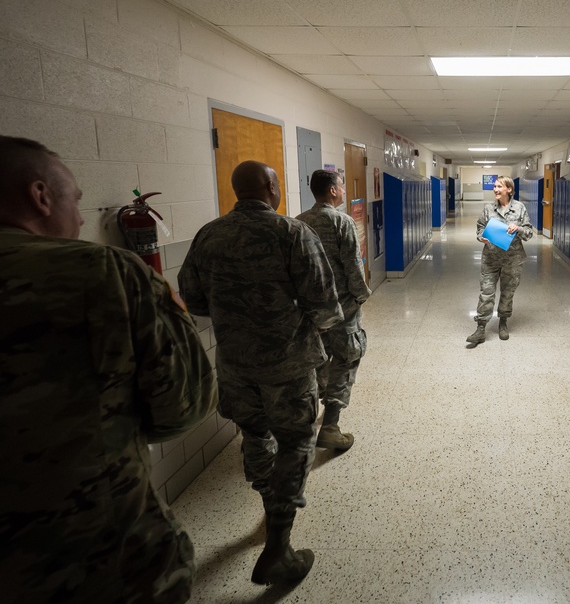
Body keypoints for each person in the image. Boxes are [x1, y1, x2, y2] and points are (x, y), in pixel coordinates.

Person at [0, 136, 216, 603]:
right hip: (94, 555)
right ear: (39, 196)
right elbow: (183, 408)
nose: (80, 219)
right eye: (74, 201)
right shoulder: (104, 270)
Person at [178, 161, 342, 586]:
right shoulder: (291, 233)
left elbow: (194, 301)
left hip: (235, 366)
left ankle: (268, 503)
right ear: (271, 187)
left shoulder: (208, 235)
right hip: (288, 367)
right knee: (295, 441)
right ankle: (278, 547)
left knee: (254, 434)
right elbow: (324, 306)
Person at [296, 169, 371, 451]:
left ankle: (308, 417)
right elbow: (352, 265)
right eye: (341, 185)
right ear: (331, 190)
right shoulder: (342, 221)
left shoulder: (299, 222)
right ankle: (330, 425)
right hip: (342, 308)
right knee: (346, 357)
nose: (342, 189)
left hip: (310, 309)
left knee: (317, 357)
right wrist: (362, 295)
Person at [467, 175, 534, 345]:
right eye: (495, 186)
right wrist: (481, 237)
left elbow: (528, 232)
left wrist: (517, 228)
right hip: (490, 258)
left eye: (499, 186)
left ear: (509, 190)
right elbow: (480, 227)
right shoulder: (488, 209)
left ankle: (503, 322)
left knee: (507, 293)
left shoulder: (520, 208)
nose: (495, 189)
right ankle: (481, 328)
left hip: (513, 259)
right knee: (486, 293)